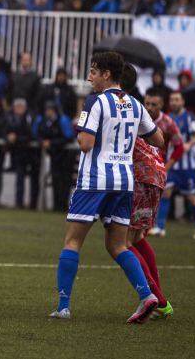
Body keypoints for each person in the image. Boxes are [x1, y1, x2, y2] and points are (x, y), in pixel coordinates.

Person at [49, 51, 164, 323]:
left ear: (106, 75)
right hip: (124, 181)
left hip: (95, 180)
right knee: (117, 246)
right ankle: (148, 296)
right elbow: (158, 138)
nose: (89, 76)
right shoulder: (136, 104)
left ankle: (63, 307)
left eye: (93, 71)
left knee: (73, 241)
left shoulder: (95, 102)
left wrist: (83, 125)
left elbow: (86, 144)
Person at [121, 66, 176, 320]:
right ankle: (162, 301)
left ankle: (156, 298)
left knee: (121, 243)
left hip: (142, 176)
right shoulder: (137, 108)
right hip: (155, 174)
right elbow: (161, 140)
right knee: (138, 237)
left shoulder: (120, 104)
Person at [151, 91, 195, 239]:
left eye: (177, 100)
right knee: (166, 193)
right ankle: (160, 227)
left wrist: (189, 144)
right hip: (172, 163)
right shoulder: (168, 118)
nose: (174, 102)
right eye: (172, 100)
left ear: (183, 102)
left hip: (187, 165)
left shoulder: (190, 117)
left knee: (191, 196)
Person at [33, 101, 75, 211]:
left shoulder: (63, 120)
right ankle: (56, 206)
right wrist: (42, 141)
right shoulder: (42, 121)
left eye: (50, 109)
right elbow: (35, 134)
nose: (48, 112)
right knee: (55, 180)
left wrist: (51, 143)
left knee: (65, 181)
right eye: (47, 109)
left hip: (66, 155)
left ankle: (63, 206)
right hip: (54, 155)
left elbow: (69, 137)